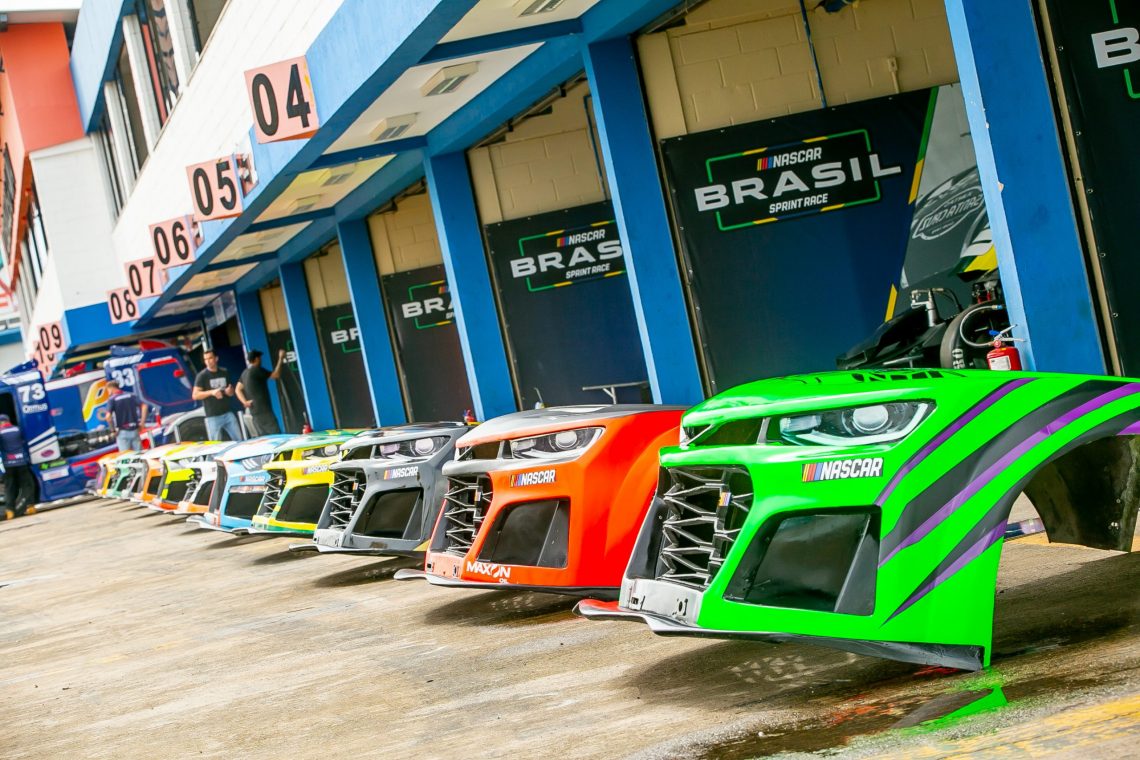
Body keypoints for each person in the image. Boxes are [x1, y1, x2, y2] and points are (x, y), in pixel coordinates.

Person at [192, 348, 243, 441]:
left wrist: (229, 391)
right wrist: (212, 392)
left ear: (216, 358)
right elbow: (195, 395)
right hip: (213, 416)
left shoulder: (224, 372)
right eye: (205, 359)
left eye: (210, 358)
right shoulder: (202, 376)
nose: (208, 361)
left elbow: (230, 392)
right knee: (215, 445)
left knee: (239, 440)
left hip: (227, 412)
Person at [236, 348, 286, 436]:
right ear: (256, 359)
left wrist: (245, 402)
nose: (260, 360)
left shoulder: (244, 373)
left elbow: (238, 389)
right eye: (259, 358)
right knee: (277, 436)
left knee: (265, 438)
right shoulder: (257, 370)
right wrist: (280, 358)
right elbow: (276, 375)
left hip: (254, 413)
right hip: (264, 411)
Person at [0, 414, 36, 519]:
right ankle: (30, 507)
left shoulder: (1, 432)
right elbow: (25, 443)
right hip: (21, 462)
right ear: (8, 421)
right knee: (27, 485)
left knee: (10, 487)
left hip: (8, 465)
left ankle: (10, 510)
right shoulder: (17, 429)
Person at [100, 380, 149, 452]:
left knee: (126, 457)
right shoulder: (131, 395)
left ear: (110, 389)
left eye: (108, 390)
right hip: (135, 430)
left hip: (122, 432)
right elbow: (144, 406)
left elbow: (108, 417)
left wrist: (113, 430)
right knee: (139, 455)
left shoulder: (112, 399)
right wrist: (142, 423)